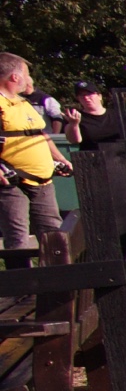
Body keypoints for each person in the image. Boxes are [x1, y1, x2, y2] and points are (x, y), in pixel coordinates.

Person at [0, 52, 75, 255]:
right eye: (26, 74)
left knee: (54, 235)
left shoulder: (24, 103)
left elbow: (41, 135)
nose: (29, 79)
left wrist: (60, 159)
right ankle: (22, 275)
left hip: (43, 179)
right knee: (18, 238)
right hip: (12, 181)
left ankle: (58, 275)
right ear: (14, 77)